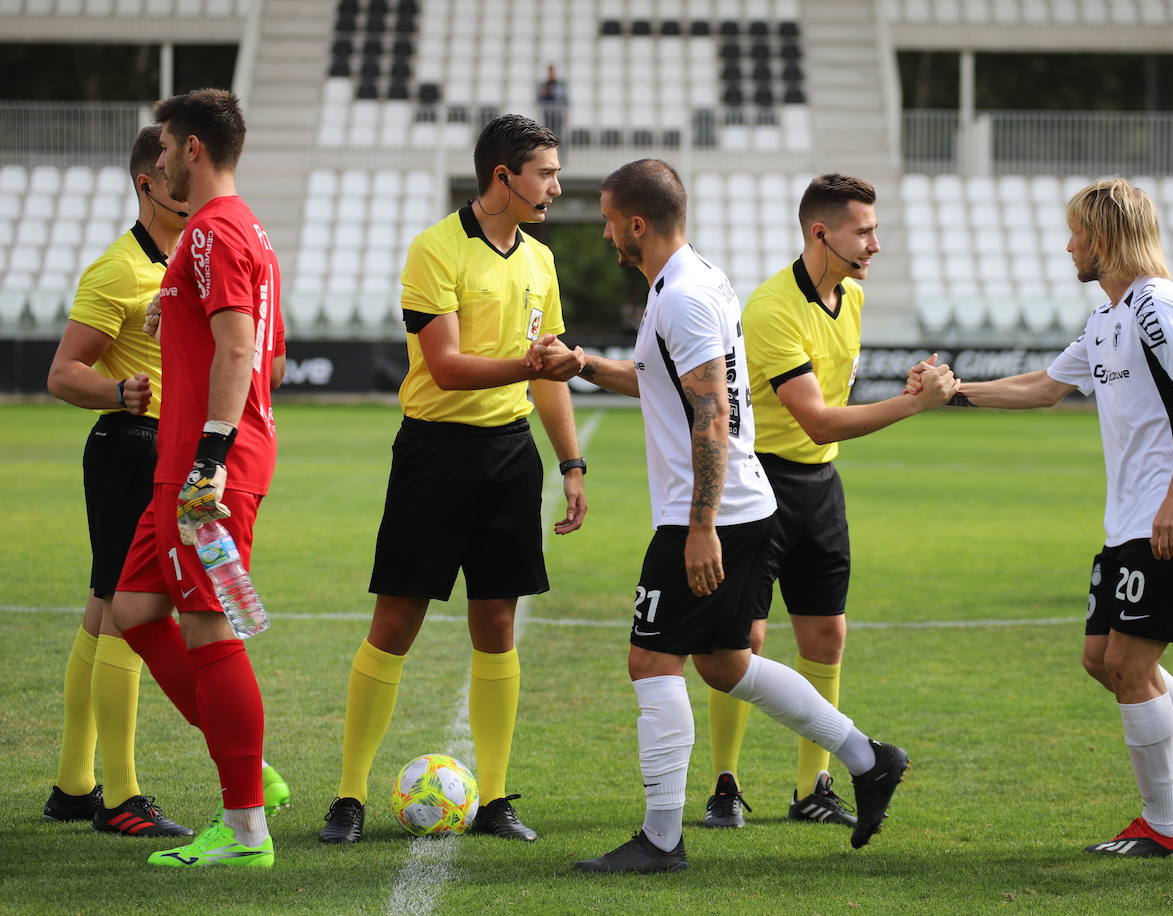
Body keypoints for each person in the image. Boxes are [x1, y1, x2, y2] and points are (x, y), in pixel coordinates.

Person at [565, 159, 912, 874]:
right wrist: (581, 365)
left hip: (712, 513)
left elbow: (712, 413)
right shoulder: (696, 280)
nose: (605, 234)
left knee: (650, 659)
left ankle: (661, 840)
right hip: (744, 504)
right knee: (724, 665)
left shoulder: (684, 296)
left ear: (636, 223)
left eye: (607, 221)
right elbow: (669, 382)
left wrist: (699, 526)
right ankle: (868, 759)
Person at [949, 178, 1173, 858]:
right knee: (1102, 659)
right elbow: (1043, 387)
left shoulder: (1157, 305)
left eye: (1076, 235)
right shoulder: (1105, 319)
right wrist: (953, 393)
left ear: (1105, 238)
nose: (1069, 247)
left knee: (1128, 661)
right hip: (1130, 522)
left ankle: (1163, 827)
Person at [319, 114, 587, 845]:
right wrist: (531, 365)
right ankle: (348, 796)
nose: (556, 188)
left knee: (497, 624)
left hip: (509, 456)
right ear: (503, 176)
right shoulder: (435, 249)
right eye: (545, 174)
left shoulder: (541, 260)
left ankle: (495, 798)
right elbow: (444, 365)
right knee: (396, 621)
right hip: (433, 453)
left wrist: (571, 463)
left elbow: (552, 372)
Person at [703, 174, 955, 829]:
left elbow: (829, 416)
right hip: (759, 485)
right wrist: (914, 404)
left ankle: (811, 787)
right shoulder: (770, 309)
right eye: (864, 231)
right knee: (743, 639)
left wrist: (906, 388)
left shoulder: (854, 299)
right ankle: (724, 784)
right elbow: (816, 417)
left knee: (826, 634)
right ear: (822, 232)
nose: (875, 243)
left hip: (820, 486)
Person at [111, 88, 287, 868]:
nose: (161, 159)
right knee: (136, 608)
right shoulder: (232, 231)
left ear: (190, 148)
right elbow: (242, 328)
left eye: (168, 145)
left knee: (208, 624)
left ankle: (246, 827)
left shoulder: (216, 231)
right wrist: (168, 309)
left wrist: (210, 462)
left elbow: (242, 350)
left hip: (205, 465)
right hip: (183, 459)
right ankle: (247, 766)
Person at [42, 126, 193, 839]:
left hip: (158, 451)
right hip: (129, 447)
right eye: (176, 174)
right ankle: (121, 798)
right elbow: (63, 372)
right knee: (129, 612)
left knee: (105, 607)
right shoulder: (116, 270)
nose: (190, 186)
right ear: (148, 184)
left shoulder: (185, 258)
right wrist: (120, 390)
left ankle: (76, 786)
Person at [536, 64, 566, 139]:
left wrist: (566, 113)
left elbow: (565, 99)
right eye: (550, 72)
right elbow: (539, 99)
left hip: (558, 114)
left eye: (553, 72)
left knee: (559, 133)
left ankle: (560, 149)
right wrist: (543, 94)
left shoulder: (560, 84)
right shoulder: (544, 85)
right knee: (548, 133)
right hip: (548, 114)